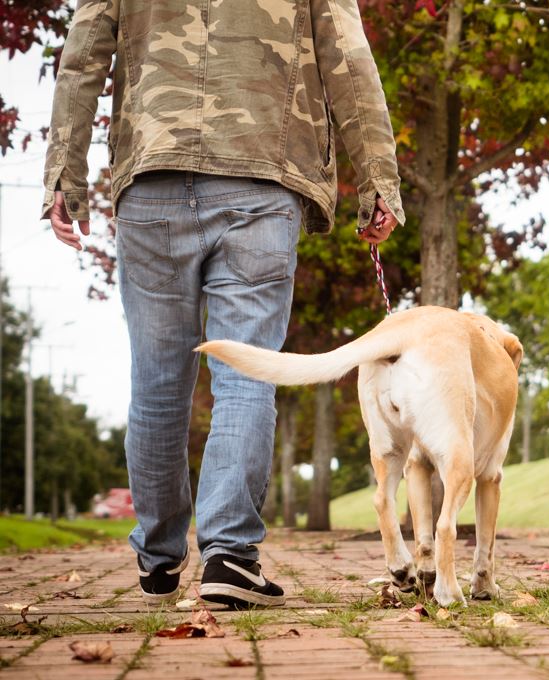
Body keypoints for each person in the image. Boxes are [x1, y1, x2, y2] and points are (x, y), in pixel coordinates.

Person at [42, 0, 404, 608]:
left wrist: (64, 174)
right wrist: (377, 179)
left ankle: (158, 559)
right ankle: (229, 557)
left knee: (157, 381)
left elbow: (81, 55)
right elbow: (348, 56)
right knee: (246, 374)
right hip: (262, 175)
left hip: (152, 173)